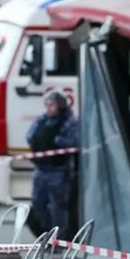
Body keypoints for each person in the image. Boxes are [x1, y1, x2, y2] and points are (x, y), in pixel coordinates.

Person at [26, 91, 79, 238]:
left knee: (57, 208)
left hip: (58, 171)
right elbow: (30, 136)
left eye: (52, 105)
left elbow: (72, 141)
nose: (49, 108)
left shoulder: (69, 121)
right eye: (47, 105)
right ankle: (46, 234)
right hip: (41, 170)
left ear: (60, 106)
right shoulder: (42, 120)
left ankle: (59, 239)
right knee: (38, 203)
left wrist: (56, 141)